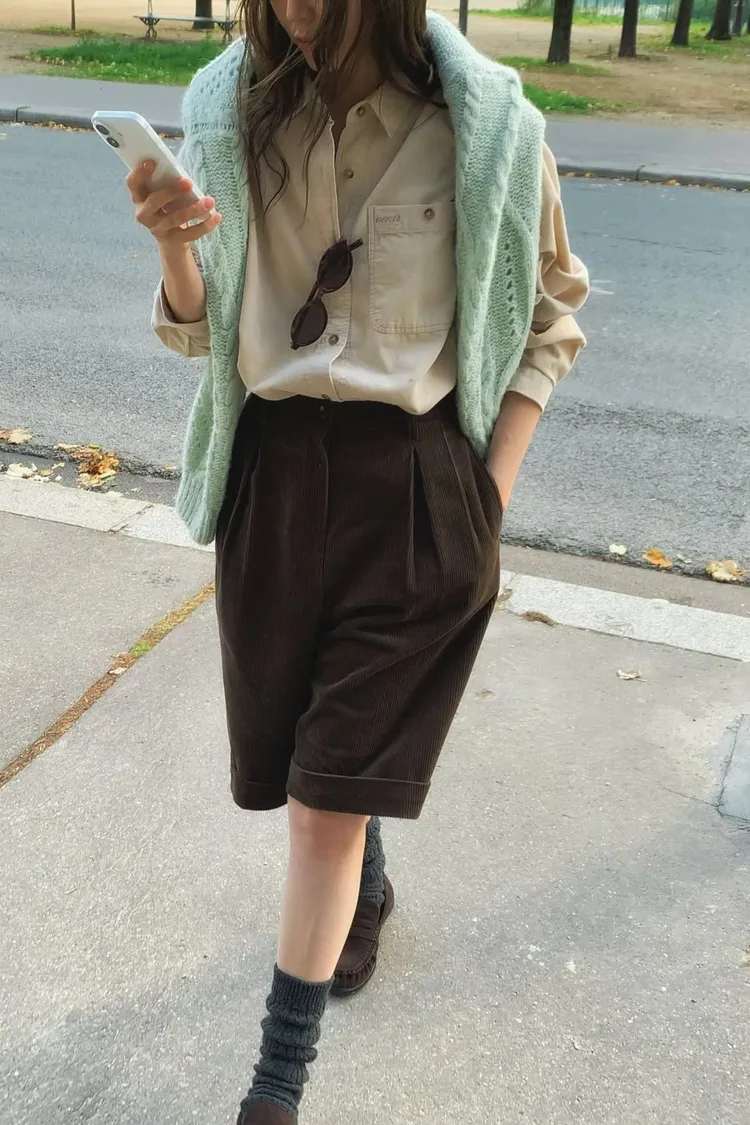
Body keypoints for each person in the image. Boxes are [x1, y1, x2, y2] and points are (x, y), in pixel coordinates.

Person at [127, 0, 588, 1119]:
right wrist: (176, 248)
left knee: (320, 807)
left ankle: (274, 1089)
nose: (292, 7)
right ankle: (365, 885)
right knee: (310, 752)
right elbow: (200, 333)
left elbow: (551, 318)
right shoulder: (230, 110)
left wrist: (486, 500)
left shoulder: (490, 127)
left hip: (416, 489)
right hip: (272, 480)